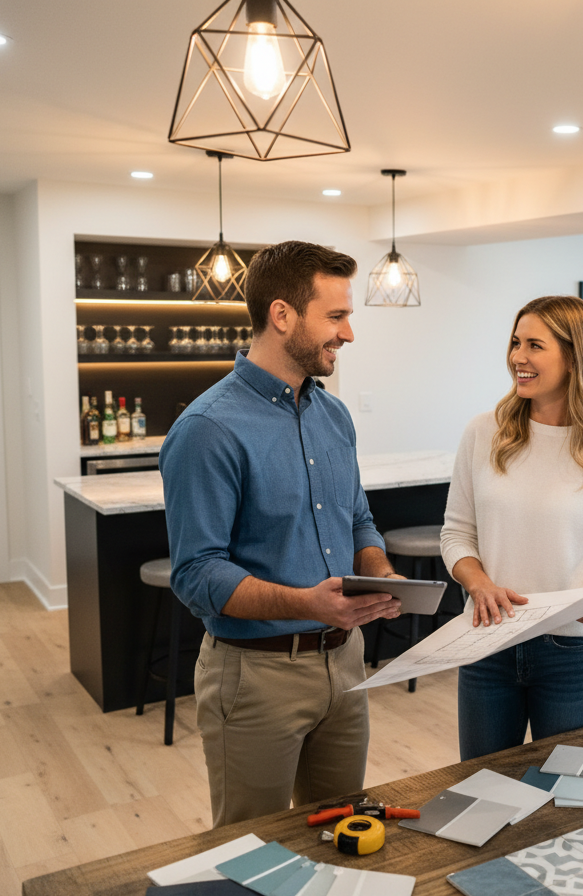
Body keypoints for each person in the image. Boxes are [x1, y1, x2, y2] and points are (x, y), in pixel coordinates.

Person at [160, 240, 403, 828]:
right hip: (255, 676)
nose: (348, 334)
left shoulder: (333, 415)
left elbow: (357, 520)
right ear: (283, 315)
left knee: (345, 830)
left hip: (345, 666)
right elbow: (197, 574)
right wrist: (304, 603)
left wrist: (384, 573)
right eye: (337, 316)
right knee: (253, 851)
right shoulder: (207, 429)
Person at [440, 295, 583, 760]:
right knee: (482, 789)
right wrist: (480, 584)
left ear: (574, 357)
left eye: (534, 345)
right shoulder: (482, 432)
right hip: (487, 642)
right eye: (515, 343)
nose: (518, 358)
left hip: (572, 652)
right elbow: (456, 533)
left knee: (565, 796)